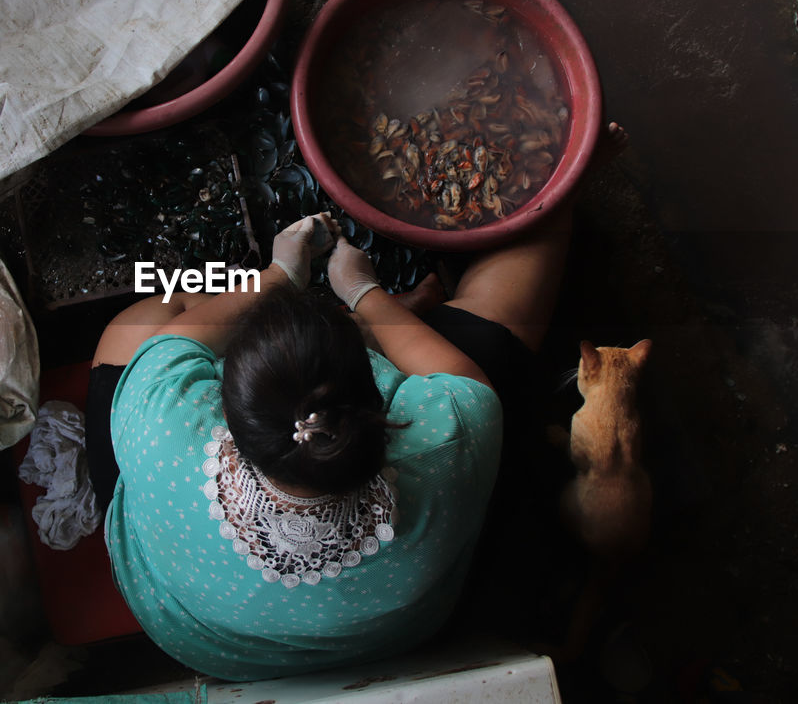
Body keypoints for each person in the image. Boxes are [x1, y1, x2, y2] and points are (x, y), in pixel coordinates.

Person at [83, 137, 600, 679]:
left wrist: (280, 275)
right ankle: (542, 207)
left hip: (204, 636)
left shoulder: (162, 420)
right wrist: (361, 292)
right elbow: (463, 382)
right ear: (380, 392)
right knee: (503, 322)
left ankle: (420, 300)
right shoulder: (445, 443)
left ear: (227, 407)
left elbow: (175, 340)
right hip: (400, 629)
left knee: (141, 321)